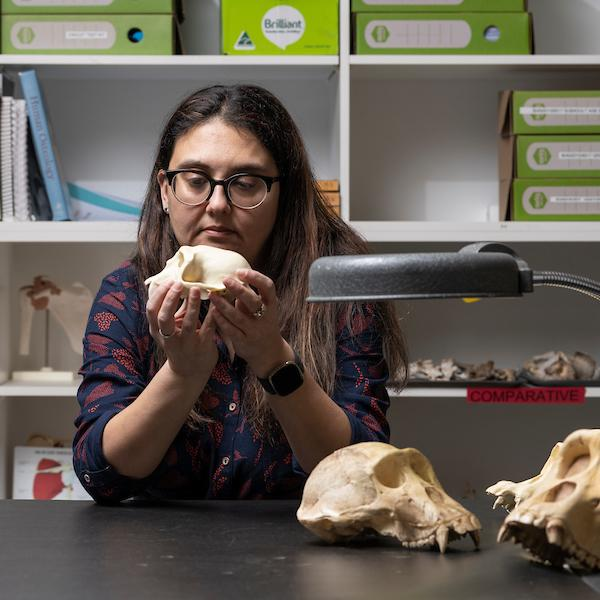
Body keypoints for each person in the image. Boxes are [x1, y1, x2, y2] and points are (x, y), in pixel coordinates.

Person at [73, 84, 407, 503]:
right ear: (164, 189)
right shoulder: (127, 292)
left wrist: (273, 358)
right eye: (195, 181)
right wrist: (182, 374)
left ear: (283, 194)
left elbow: (366, 474)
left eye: (245, 184)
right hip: (158, 559)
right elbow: (101, 475)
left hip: (303, 552)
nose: (216, 205)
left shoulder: (338, 290)